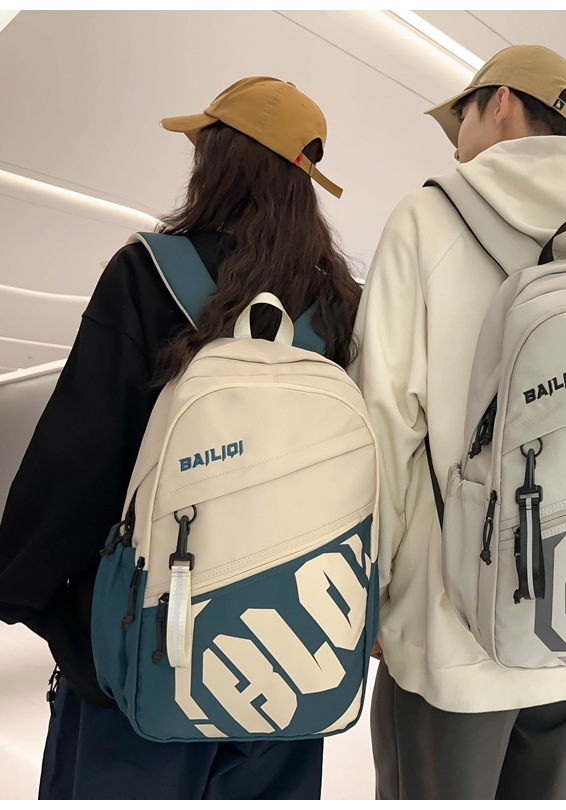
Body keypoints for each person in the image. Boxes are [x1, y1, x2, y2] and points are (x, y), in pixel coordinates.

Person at [0, 76, 362, 800]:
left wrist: (25, 584)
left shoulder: (147, 274)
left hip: (147, 646)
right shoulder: (338, 306)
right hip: (288, 654)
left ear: (220, 159)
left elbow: (83, 451)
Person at [350, 45, 566, 800]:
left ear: (498, 103)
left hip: (455, 629)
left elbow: (384, 424)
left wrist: (370, 594)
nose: (455, 143)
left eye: (459, 118)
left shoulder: (427, 218)